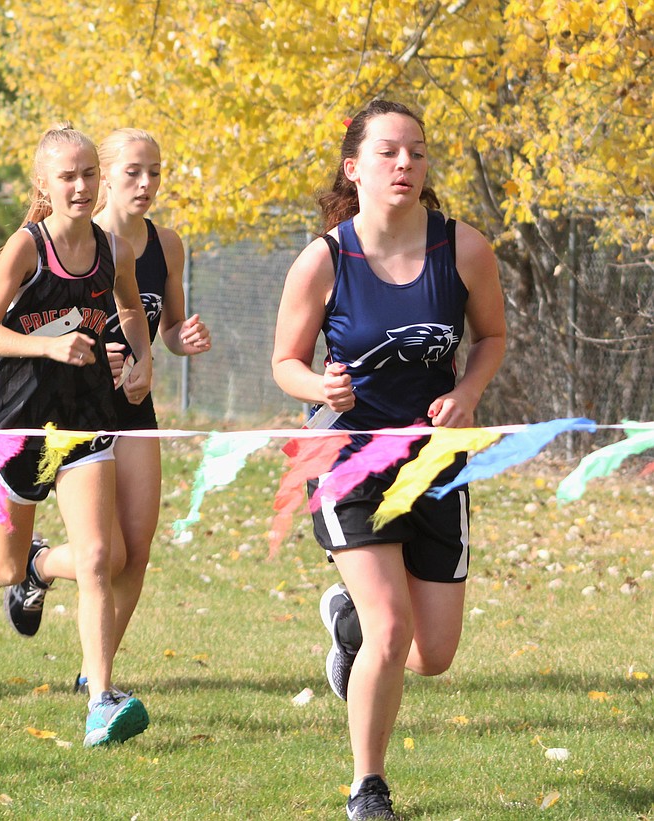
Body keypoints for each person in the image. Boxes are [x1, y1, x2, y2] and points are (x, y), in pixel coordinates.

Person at [271, 100, 506, 820]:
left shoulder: (464, 250)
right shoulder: (325, 258)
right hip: (344, 458)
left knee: (431, 653)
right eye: (388, 152)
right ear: (355, 167)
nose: (405, 164)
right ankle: (366, 785)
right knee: (392, 627)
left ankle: (346, 621)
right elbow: (285, 362)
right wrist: (321, 384)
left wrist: (467, 392)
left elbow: (492, 337)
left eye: (418, 152)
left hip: (435, 462)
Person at [0, 124, 155, 747]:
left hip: (87, 425)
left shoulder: (115, 250)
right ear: (44, 185)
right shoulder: (26, 247)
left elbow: (132, 309)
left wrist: (140, 361)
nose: (80, 186)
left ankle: (101, 701)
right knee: (5, 564)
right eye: (67, 176)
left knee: (98, 559)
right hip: (17, 429)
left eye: (88, 174)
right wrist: (48, 347)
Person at [0, 129, 211, 696]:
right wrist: (91, 354)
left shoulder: (167, 245)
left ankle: (96, 674)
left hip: (133, 406)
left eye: (157, 172)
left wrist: (171, 345)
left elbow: (162, 329)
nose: (146, 185)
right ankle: (37, 566)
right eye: (133, 172)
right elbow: (30, 325)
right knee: (105, 553)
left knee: (136, 550)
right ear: (106, 177)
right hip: (73, 408)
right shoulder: (71, 242)